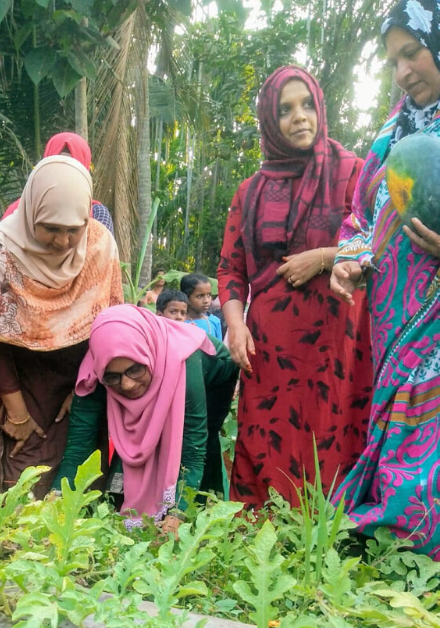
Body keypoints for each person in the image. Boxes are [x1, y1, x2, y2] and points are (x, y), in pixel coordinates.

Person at [217, 66, 373, 510]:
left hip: (336, 342)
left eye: (306, 105)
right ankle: (262, 539)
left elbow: (373, 237)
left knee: (333, 430)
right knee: (266, 433)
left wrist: (322, 258)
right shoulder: (249, 192)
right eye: (284, 110)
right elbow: (231, 269)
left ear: (320, 108)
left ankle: (334, 532)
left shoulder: (353, 173)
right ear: (270, 119)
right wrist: (234, 326)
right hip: (270, 347)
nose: (299, 117)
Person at [330, 0, 440, 559]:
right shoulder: (388, 135)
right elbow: (359, 218)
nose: (403, 72)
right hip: (392, 321)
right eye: (393, 60)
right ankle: (398, 545)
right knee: (398, 427)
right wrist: (347, 259)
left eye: (413, 52)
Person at [0, 156, 123, 496]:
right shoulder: (0, 251)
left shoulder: (99, 246)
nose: (62, 241)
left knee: (83, 483)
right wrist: (17, 412)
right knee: (22, 481)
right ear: (32, 211)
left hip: (83, 380)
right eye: (50, 228)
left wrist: (83, 387)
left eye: (72, 229)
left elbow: (112, 324)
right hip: (22, 382)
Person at [54, 305, 221, 534]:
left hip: (212, 375)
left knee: (193, 455)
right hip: (153, 377)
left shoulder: (183, 359)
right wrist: (54, 501)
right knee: (134, 450)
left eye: (135, 370)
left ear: (147, 356)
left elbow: (193, 449)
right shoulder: (96, 372)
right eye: (113, 377)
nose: (127, 385)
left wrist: (178, 515)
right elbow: (78, 448)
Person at [1, 132, 115, 235]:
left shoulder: (98, 215)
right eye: (58, 166)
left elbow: (103, 255)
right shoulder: (20, 212)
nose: (62, 242)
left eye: (71, 167)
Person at [180, 273, 222, 340]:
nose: (206, 300)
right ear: (186, 297)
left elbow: (219, 349)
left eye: (208, 295)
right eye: (199, 296)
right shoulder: (179, 322)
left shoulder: (215, 321)